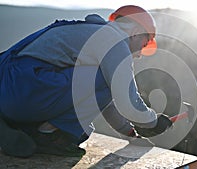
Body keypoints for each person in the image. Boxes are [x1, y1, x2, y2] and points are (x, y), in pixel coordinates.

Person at [0, 5, 172, 158]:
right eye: (145, 42)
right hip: (24, 88)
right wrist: (152, 122)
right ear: (135, 31)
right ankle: (47, 135)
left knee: (82, 128)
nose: (141, 52)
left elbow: (100, 98)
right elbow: (126, 98)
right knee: (75, 129)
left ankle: (22, 128)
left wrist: (130, 134)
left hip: (14, 91)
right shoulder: (115, 41)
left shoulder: (95, 34)